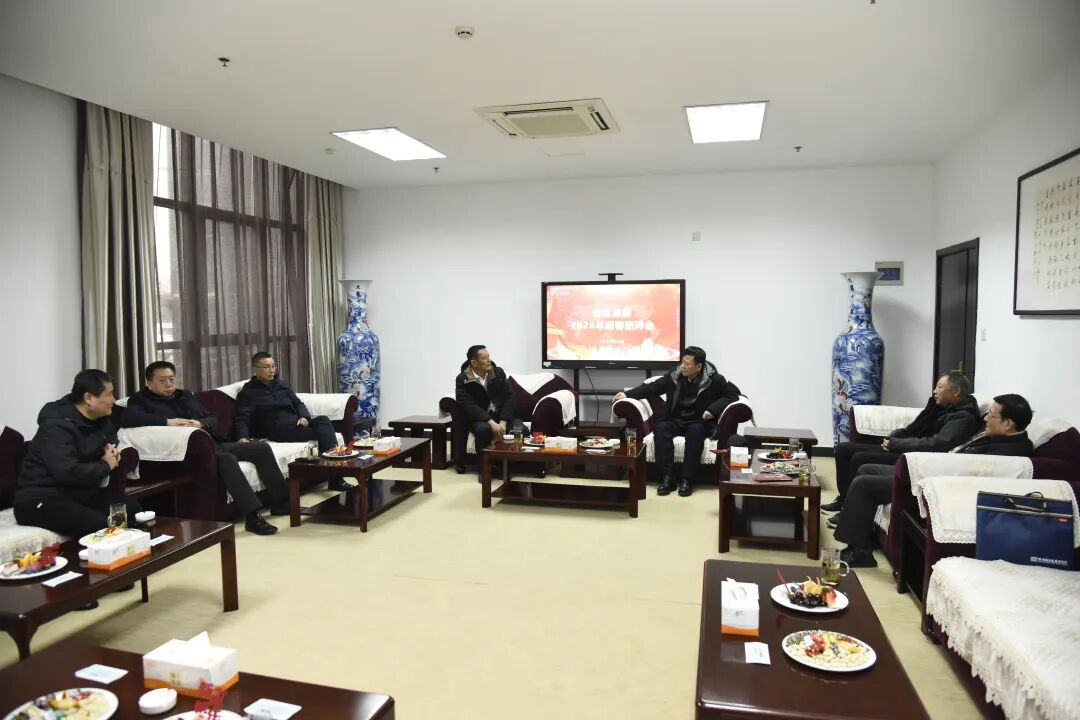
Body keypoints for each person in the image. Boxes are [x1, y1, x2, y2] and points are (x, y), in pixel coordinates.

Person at [833, 393, 1035, 567]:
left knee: (864, 484)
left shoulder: (1012, 451)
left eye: (991, 415)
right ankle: (862, 537)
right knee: (866, 469)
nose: (986, 419)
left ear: (1008, 424)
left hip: (939, 484)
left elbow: (970, 471)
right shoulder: (999, 436)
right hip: (937, 469)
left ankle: (861, 554)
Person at [121, 361, 286, 536]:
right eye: (162, 380)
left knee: (260, 448)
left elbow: (212, 418)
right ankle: (252, 517)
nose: (169, 384)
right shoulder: (140, 400)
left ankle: (282, 503)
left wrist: (201, 423)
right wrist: (168, 422)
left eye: (171, 379)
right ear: (149, 383)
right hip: (184, 455)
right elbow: (128, 419)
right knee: (226, 459)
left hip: (212, 444)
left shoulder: (185, 395)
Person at [822, 373, 983, 514]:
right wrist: (894, 437)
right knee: (844, 449)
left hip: (914, 457)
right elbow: (913, 428)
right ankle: (843, 499)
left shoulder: (963, 418)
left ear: (955, 391)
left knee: (859, 458)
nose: (934, 391)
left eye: (940, 387)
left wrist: (896, 444)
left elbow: (935, 444)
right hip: (905, 447)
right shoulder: (941, 407)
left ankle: (849, 507)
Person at [14, 370, 142, 539]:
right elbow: (67, 472)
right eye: (109, 394)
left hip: (77, 493)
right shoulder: (56, 427)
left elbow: (110, 437)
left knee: (132, 511)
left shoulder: (99, 417)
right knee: (101, 526)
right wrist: (105, 465)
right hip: (40, 499)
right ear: (88, 398)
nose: (113, 400)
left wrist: (112, 449)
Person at [613, 346, 740, 497]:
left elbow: (733, 394)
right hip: (675, 419)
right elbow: (652, 388)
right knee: (661, 429)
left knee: (695, 433)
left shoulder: (714, 380)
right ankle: (668, 478)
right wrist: (628, 394)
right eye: (682, 363)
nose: (682, 367)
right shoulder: (674, 376)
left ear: (699, 366)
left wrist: (713, 409)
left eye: (687, 364)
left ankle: (687, 480)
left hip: (698, 421)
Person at [234, 352, 339, 455]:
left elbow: (298, 403)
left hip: (296, 424)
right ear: (255, 369)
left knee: (323, 420)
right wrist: (242, 437)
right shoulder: (248, 392)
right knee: (324, 433)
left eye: (273, 366)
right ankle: (334, 457)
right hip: (278, 430)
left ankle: (332, 456)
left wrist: (304, 417)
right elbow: (242, 417)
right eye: (267, 367)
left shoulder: (282, 385)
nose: (271, 370)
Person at [454, 345, 515, 472]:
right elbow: (467, 405)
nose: (489, 361)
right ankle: (484, 470)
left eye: (489, 357)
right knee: (484, 430)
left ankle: (511, 467)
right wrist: (490, 421)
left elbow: (510, 397)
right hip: (478, 418)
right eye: (484, 358)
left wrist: (503, 421)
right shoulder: (463, 378)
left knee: (520, 429)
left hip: (499, 415)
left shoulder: (498, 373)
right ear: (474, 363)